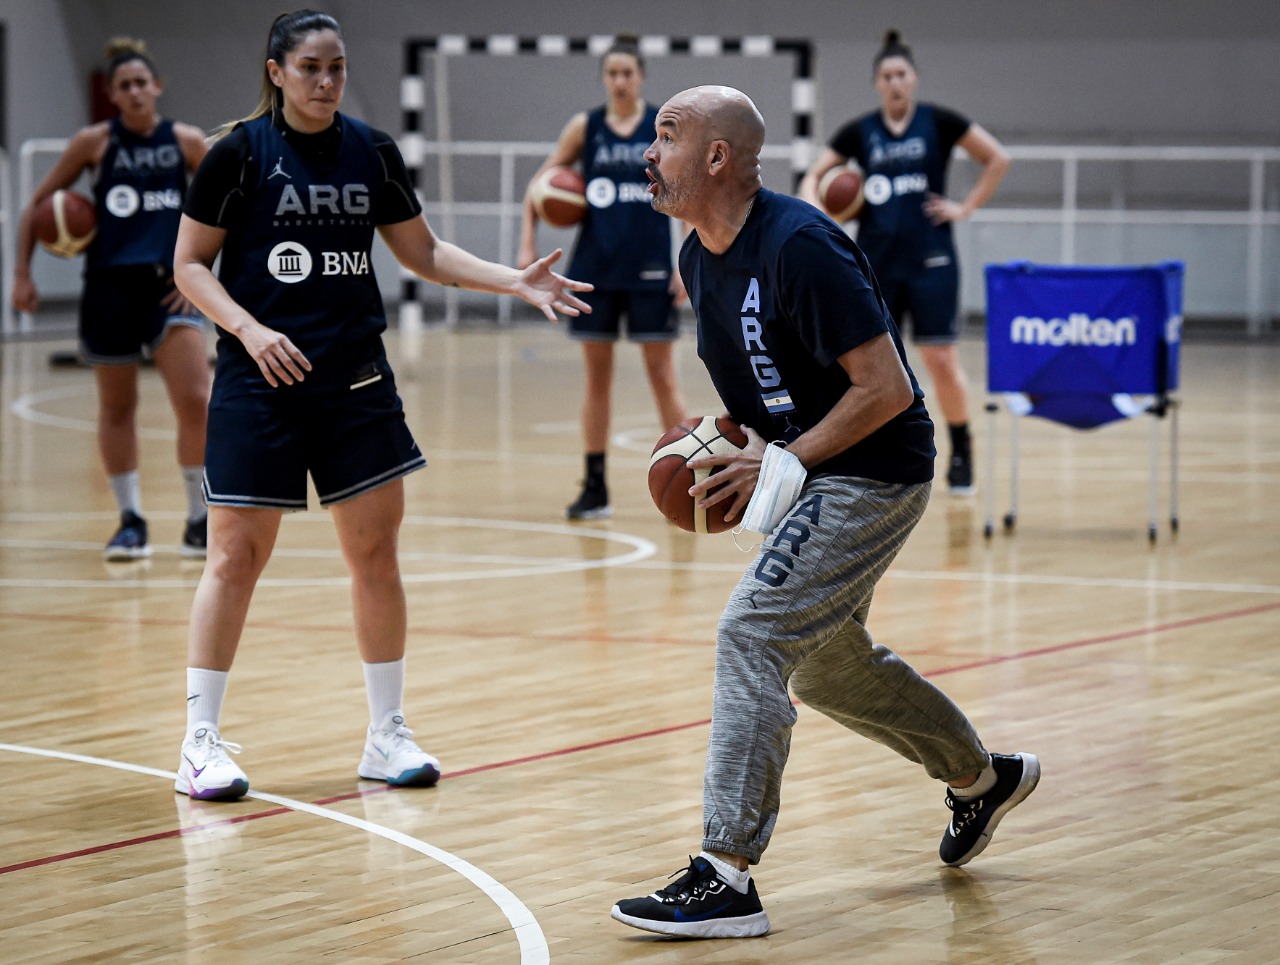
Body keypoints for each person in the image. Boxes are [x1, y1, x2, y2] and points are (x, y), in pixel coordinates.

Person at [610, 85, 1038, 939]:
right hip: (812, 471)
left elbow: (885, 389)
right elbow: (768, 393)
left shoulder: (803, 245)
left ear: (719, 157)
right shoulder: (698, 256)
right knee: (826, 667)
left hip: (875, 469)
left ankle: (725, 874)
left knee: (752, 633)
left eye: (666, 135)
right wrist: (720, 444)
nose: (648, 154)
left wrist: (785, 459)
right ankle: (983, 778)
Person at [169, 10, 591, 801]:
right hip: (259, 378)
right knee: (233, 556)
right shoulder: (237, 155)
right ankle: (199, 740)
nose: (326, 81)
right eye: (310, 68)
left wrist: (514, 279)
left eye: (335, 67)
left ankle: (385, 732)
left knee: (376, 553)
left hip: (355, 379)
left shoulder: (371, 151)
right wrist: (250, 328)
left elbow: (423, 252)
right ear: (275, 72)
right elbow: (190, 265)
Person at [12, 38, 212, 560]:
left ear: (157, 87)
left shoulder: (187, 141)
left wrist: (203, 272)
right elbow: (36, 206)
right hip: (108, 289)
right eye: (124, 86)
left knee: (197, 402)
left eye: (142, 82)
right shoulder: (94, 143)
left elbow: (232, 206)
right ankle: (130, 521)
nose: (135, 92)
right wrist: (22, 276)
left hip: (169, 290)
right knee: (117, 407)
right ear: (112, 95)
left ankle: (198, 521)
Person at [799, 29, 1010, 495]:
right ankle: (864, 453)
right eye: (887, 76)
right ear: (877, 83)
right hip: (875, 264)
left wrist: (965, 207)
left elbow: (996, 158)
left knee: (939, 357)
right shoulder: (860, 131)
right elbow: (813, 175)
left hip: (932, 259)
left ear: (913, 80)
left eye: (901, 75)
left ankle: (962, 448)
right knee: (868, 367)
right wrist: (820, 215)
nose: (895, 83)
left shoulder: (939, 123)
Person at [518, 35, 687, 520]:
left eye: (627, 73)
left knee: (662, 377)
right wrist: (528, 241)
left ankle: (686, 479)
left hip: (652, 265)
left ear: (641, 76)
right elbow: (539, 184)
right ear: (604, 78)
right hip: (594, 268)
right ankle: (595, 486)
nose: (619, 81)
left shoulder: (664, 128)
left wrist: (684, 260)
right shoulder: (585, 127)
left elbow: (686, 195)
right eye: (611, 73)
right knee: (598, 380)